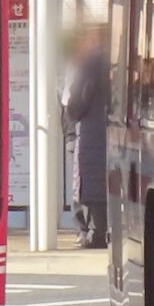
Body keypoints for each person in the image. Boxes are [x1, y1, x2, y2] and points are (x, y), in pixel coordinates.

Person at [60, 23, 110, 249]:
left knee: (87, 181)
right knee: (101, 180)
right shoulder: (115, 60)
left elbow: (78, 101)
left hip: (90, 132)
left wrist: (70, 108)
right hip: (108, 129)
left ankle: (93, 232)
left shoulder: (89, 64)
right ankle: (97, 230)